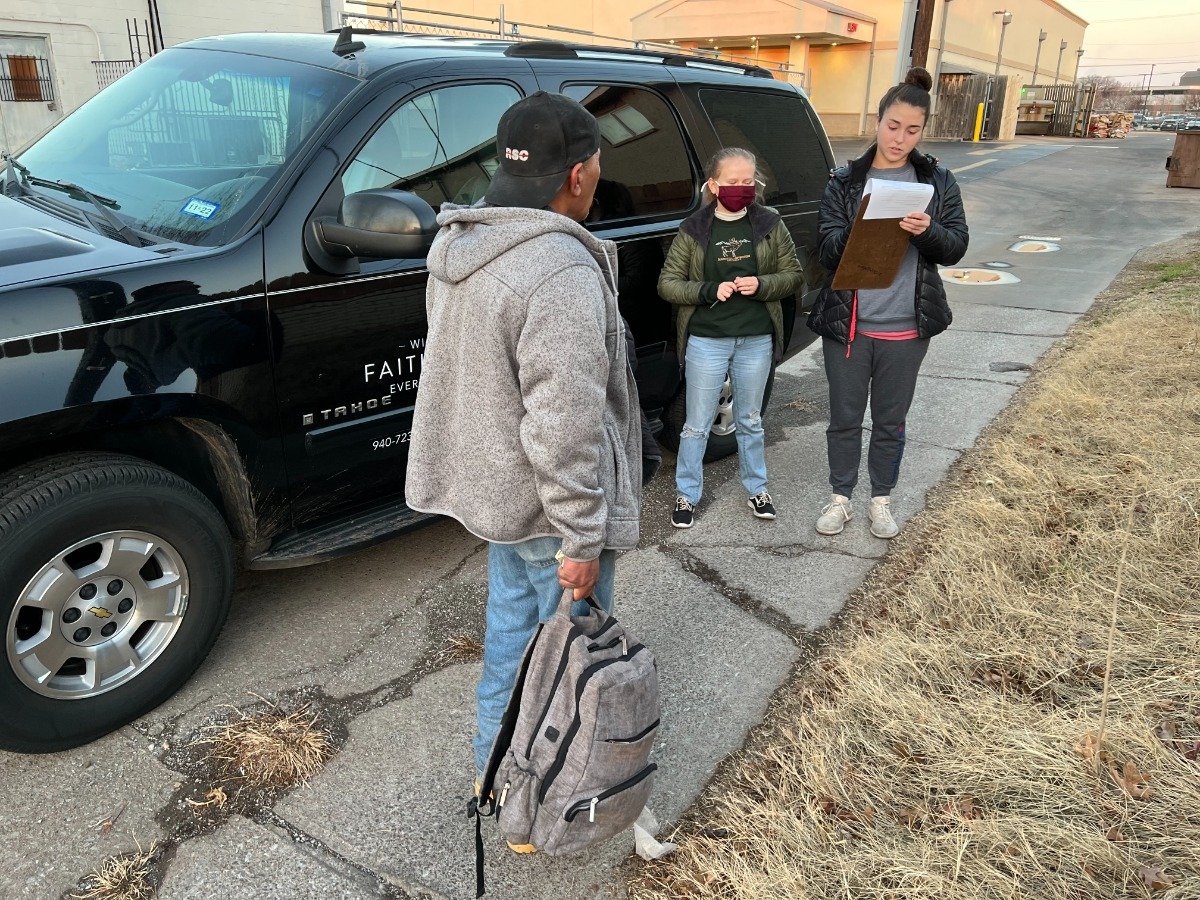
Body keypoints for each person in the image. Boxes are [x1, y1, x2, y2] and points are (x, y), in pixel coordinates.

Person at [404, 92, 642, 801]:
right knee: (564, 661)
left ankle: (494, 776)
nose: (599, 173)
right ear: (577, 174)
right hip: (548, 507)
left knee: (511, 642)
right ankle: (548, 795)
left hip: (501, 490)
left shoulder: (461, 243)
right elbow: (563, 421)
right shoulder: (558, 271)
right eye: (596, 159)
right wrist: (581, 534)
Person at [808, 67, 968, 539]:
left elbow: (956, 245)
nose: (900, 138)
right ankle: (840, 498)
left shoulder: (937, 180)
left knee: (890, 421)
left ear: (923, 131)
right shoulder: (844, 180)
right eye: (893, 126)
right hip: (851, 325)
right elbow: (825, 248)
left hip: (907, 326)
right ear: (878, 121)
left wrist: (929, 231)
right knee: (844, 419)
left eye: (912, 130)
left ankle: (881, 500)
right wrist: (863, 225)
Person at [657, 147, 802, 528]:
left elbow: (794, 274)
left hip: (755, 339)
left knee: (751, 420)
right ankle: (687, 495)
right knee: (696, 424)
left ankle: (757, 488)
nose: (741, 188)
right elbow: (668, 284)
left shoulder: (770, 223)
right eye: (733, 182)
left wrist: (763, 283)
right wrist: (707, 291)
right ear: (714, 184)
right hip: (707, 340)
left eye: (748, 181)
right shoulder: (694, 229)